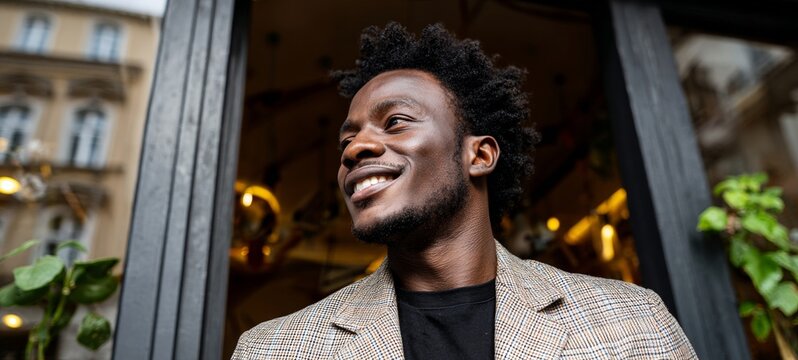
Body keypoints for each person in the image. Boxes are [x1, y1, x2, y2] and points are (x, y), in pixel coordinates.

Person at [232, 22, 696, 359]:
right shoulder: (272, 349)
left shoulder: (631, 322)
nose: (356, 149)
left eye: (395, 122)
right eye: (347, 140)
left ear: (480, 156)